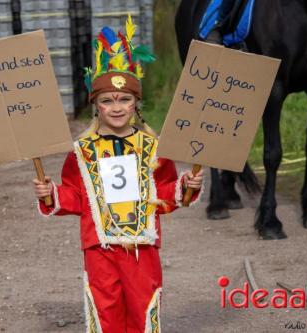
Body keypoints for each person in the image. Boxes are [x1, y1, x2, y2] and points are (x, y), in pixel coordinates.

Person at [32, 15, 204, 333]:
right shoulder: (82, 150)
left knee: (143, 305)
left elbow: (163, 190)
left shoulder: (153, 147)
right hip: (99, 248)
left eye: (125, 99)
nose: (116, 107)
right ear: (96, 104)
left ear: (136, 103)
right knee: (105, 308)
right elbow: (75, 194)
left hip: (142, 246)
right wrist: (51, 194)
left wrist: (185, 186)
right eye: (107, 100)